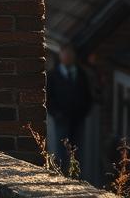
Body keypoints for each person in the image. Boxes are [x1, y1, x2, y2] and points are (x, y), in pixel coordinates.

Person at [47, 43, 93, 173]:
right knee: (61, 150)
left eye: (70, 53)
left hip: (78, 119)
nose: (67, 56)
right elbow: (48, 98)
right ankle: (61, 175)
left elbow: (88, 96)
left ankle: (76, 176)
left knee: (77, 150)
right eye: (65, 53)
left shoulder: (81, 74)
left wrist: (83, 113)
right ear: (60, 55)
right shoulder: (53, 75)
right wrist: (56, 114)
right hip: (61, 119)